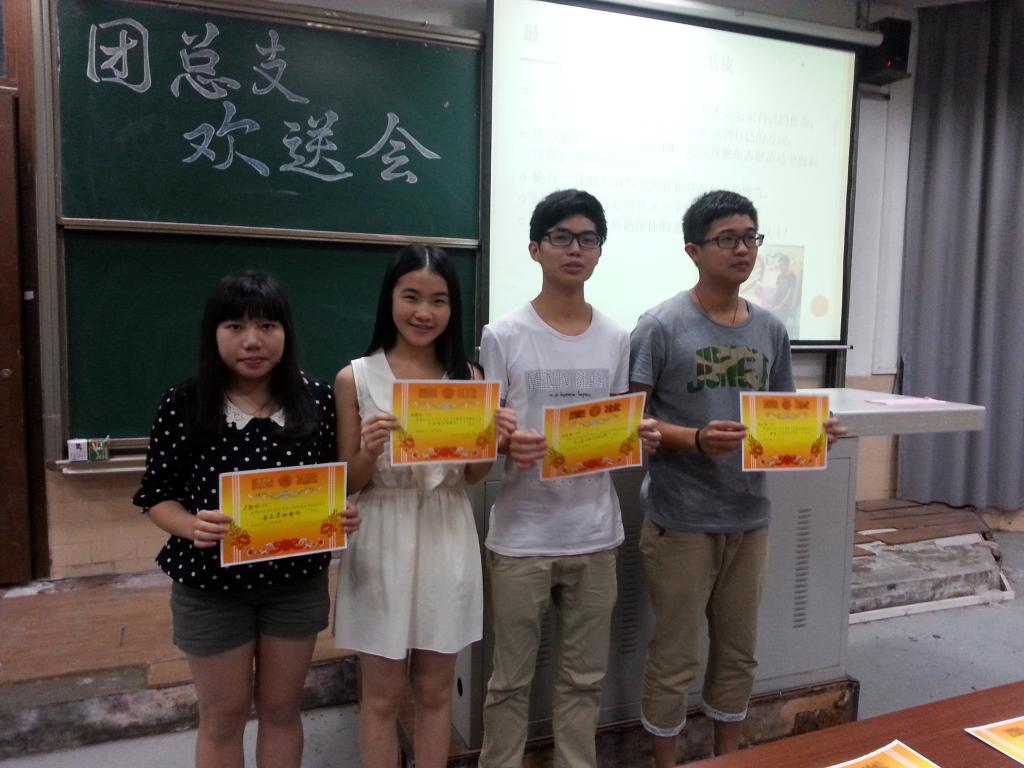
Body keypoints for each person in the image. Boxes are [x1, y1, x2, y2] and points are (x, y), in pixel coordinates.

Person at [628, 190, 844, 765]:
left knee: (738, 654)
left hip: (749, 518)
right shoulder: (660, 325)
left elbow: (780, 416)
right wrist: (694, 438)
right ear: (693, 250)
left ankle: (730, 758)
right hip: (681, 520)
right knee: (674, 657)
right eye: (727, 239)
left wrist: (813, 434)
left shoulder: (770, 329)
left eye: (750, 237)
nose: (743, 249)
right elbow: (629, 424)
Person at [132, 270, 360, 768]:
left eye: (267, 326)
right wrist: (191, 525)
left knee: (282, 710)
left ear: (286, 332)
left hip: (294, 585)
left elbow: (334, 482)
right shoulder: (184, 403)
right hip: (210, 588)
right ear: (213, 334)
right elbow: (156, 496)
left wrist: (339, 512)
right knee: (223, 717)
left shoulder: (318, 399)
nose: (253, 341)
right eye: (235, 326)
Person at [477, 189, 659, 768]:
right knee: (508, 682)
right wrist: (504, 441)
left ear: (600, 251)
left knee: (584, 680)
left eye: (587, 239)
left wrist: (638, 436)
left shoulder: (616, 337)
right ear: (535, 248)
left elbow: (615, 428)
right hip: (521, 536)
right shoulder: (503, 334)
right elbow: (481, 435)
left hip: (594, 535)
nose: (575, 249)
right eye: (561, 237)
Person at [333, 244, 513, 768]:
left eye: (438, 300)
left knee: (435, 690)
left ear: (452, 308)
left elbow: (473, 476)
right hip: (381, 533)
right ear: (389, 299)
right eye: (411, 296)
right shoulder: (355, 378)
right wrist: (369, 449)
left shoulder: (469, 378)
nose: (423, 312)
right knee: (382, 694)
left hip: (447, 530)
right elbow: (348, 482)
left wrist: (491, 440)